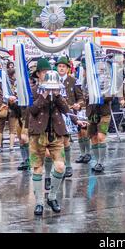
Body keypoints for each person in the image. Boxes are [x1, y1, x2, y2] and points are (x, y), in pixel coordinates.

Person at [28, 58, 83, 216]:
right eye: (43, 72)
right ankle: (39, 202)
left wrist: (77, 120)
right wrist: (44, 95)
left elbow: (65, 109)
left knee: (60, 167)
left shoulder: (58, 89)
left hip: (56, 132)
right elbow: (31, 111)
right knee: (37, 168)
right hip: (37, 133)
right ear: (38, 74)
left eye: (48, 72)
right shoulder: (32, 90)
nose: (46, 75)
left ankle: (52, 197)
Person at [56, 56, 85, 178]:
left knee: (66, 140)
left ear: (68, 68)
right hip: (56, 114)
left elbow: (81, 98)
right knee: (58, 141)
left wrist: (79, 104)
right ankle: (59, 165)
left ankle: (68, 165)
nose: (61, 68)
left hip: (69, 114)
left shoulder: (74, 81)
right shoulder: (52, 80)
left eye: (63, 66)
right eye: (59, 66)